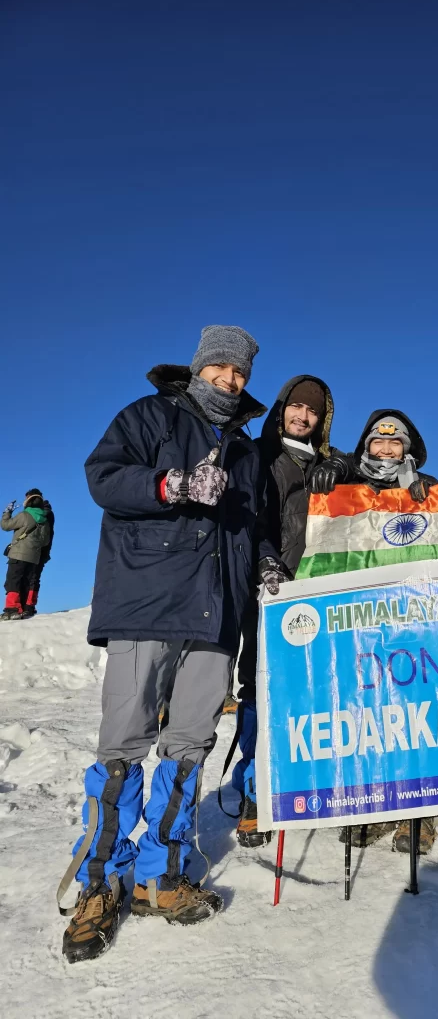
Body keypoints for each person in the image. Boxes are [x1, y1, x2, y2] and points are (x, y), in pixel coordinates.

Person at [58, 325, 281, 964]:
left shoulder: (244, 450)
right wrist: (171, 485)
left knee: (188, 745)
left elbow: (251, 525)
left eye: (239, 373)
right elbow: (103, 477)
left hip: (217, 618)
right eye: (220, 369)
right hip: (147, 605)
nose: (230, 381)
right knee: (123, 744)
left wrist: (265, 561)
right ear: (199, 367)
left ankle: (161, 872)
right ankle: (101, 881)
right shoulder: (149, 416)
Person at [232, 375, 349, 848]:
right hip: (269, 589)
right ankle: (255, 792)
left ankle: (311, 782)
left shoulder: (328, 462)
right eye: (296, 408)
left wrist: (340, 463)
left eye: (313, 411)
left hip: (321, 592)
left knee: (319, 689)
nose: (303, 417)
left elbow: (373, 478)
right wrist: (264, 562)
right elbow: (250, 518)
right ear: (281, 409)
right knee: (260, 685)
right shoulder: (261, 458)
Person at [346, 410, 438, 854]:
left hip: (414, 616)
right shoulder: (347, 489)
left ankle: (418, 813)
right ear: (366, 446)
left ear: (407, 448)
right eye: (377, 442)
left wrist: (435, 499)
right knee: (370, 714)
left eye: (395, 443)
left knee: (415, 716)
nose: (386, 450)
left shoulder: (426, 484)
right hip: (362, 619)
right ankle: (376, 806)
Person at [1, 491, 52, 620]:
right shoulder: (45, 520)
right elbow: (45, 541)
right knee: (26, 582)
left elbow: (5, 526)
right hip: (34, 557)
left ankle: (11, 609)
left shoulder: (24, 515)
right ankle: (22, 608)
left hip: (19, 554)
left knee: (13, 580)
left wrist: (7, 513)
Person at [23, 488, 55, 616]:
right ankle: (27, 604)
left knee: (33, 577)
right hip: (38, 549)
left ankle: (29, 605)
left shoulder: (45, 512)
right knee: (29, 577)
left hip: (39, 549)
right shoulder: (46, 511)